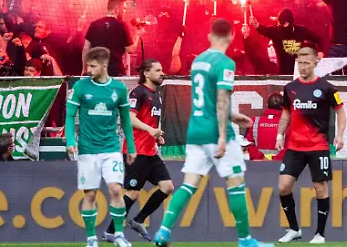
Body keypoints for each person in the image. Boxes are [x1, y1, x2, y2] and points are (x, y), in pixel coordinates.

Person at [153, 19, 272, 247]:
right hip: (215, 131)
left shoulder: (198, 61)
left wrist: (234, 115)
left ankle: (163, 232)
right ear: (231, 36)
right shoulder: (225, 63)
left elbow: (208, 99)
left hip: (195, 130)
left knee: (188, 185)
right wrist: (222, 136)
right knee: (235, 183)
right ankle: (246, 240)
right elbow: (220, 99)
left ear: (209, 36)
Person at [66, 47, 137, 247]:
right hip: (87, 149)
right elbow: (70, 116)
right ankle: (91, 239)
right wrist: (70, 141)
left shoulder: (119, 89)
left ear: (104, 65)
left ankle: (119, 236)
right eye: (88, 65)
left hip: (111, 148)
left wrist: (130, 146)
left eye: (92, 66)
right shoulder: (80, 87)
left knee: (115, 189)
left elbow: (125, 120)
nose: (88, 69)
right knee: (90, 194)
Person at [276, 48, 347, 244]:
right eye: (300, 63)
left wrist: (340, 136)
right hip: (294, 146)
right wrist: (280, 134)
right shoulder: (290, 88)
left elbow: (341, 112)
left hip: (318, 146)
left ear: (316, 63)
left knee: (320, 189)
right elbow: (286, 114)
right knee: (283, 187)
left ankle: (320, 234)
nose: (303, 67)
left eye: (306, 63)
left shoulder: (327, 88)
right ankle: (294, 229)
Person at [105, 59, 174, 242]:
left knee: (167, 187)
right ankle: (111, 231)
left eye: (161, 69)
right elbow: (129, 118)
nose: (162, 73)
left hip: (150, 151)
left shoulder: (157, 95)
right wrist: (150, 130)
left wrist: (156, 135)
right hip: (137, 150)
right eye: (158, 70)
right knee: (133, 193)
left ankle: (139, 220)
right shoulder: (138, 92)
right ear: (146, 73)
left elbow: (149, 121)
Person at [250, 9, 322, 76]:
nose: (279, 25)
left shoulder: (301, 31)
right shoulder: (276, 31)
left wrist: (320, 53)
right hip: (283, 74)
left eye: (282, 23)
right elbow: (264, 30)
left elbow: (319, 40)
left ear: (288, 22)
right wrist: (256, 24)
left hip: (299, 72)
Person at [83, 0, 141, 77]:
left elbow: (86, 49)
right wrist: (137, 34)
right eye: (124, 8)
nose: (125, 11)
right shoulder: (122, 25)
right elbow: (130, 49)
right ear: (116, 9)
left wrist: (84, 69)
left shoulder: (94, 24)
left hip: (96, 72)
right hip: (115, 72)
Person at [245, 92, 284, 161]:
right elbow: (291, 147)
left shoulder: (254, 121)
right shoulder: (288, 124)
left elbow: (248, 144)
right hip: (280, 164)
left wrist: (261, 158)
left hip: (258, 164)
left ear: (267, 105)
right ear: (283, 106)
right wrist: (275, 159)